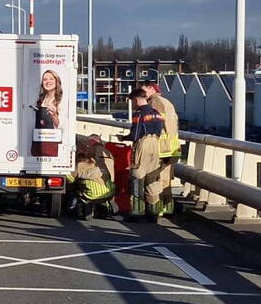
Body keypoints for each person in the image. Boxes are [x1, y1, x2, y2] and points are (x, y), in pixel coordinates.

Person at [139, 80, 180, 215]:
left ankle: (158, 208)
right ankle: (168, 208)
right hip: (172, 145)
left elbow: (155, 123)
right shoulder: (167, 102)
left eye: (143, 89)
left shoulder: (154, 102)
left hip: (161, 146)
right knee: (166, 178)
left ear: (151, 89)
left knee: (155, 178)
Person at [124, 88, 165, 222]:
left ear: (136, 99)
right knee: (152, 178)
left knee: (137, 176)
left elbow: (135, 134)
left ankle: (137, 211)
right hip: (155, 145)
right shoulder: (156, 113)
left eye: (133, 101)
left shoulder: (139, 114)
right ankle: (153, 212)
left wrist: (125, 138)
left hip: (143, 144)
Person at [66, 134, 117, 220]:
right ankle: (105, 208)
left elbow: (70, 179)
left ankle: (83, 206)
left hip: (92, 192)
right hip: (109, 191)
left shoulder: (82, 164)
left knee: (76, 187)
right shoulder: (108, 154)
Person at [31, 69, 62, 157]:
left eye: (51, 79)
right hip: (37, 141)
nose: (48, 81)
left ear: (57, 81)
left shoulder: (60, 100)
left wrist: (54, 115)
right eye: (45, 79)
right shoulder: (40, 99)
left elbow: (59, 125)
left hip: (51, 142)